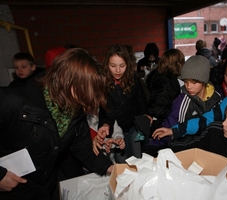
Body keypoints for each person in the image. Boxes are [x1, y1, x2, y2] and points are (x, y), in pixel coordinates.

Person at [0, 48, 114, 199]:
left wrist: (113, 168)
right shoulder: (12, 102)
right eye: (87, 89)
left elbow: (84, 150)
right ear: (67, 79)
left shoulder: (75, 111)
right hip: (9, 189)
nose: (90, 97)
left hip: (45, 185)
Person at [148, 55, 222, 153]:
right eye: (186, 81)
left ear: (204, 80)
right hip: (184, 151)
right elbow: (169, 125)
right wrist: (152, 148)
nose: (188, 87)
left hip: (210, 151)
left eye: (194, 82)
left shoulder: (217, 99)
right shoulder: (181, 100)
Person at [97, 44, 149, 162]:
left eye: (122, 65)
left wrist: (145, 114)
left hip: (133, 125)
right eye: (113, 66)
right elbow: (105, 109)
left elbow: (140, 99)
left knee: (136, 158)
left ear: (128, 65)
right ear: (107, 65)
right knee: (121, 161)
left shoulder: (133, 78)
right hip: (116, 128)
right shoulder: (104, 83)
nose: (118, 70)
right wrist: (106, 124)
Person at [145, 48, 185, 135]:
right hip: (161, 127)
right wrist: (175, 111)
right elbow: (156, 108)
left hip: (157, 124)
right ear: (178, 64)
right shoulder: (167, 82)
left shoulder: (157, 75)